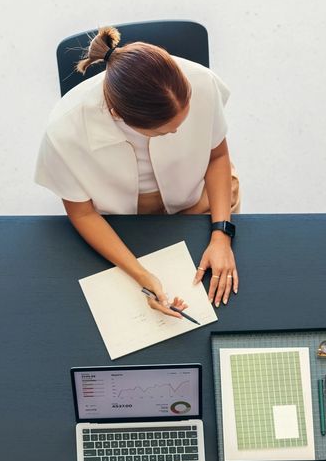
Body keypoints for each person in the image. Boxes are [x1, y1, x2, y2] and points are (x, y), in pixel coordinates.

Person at [35, 27, 240, 314]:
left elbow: (217, 157)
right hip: (122, 222)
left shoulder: (201, 82)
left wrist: (221, 235)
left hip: (202, 199)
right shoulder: (64, 131)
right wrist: (144, 277)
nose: (180, 130)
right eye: (164, 132)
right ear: (119, 116)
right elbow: (82, 212)